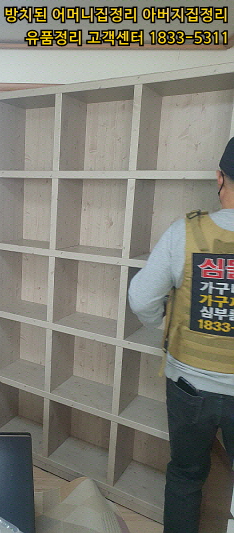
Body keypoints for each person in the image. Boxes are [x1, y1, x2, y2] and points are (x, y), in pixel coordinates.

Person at [128, 138, 234, 533]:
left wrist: (165, 324)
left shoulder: (184, 232)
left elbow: (141, 298)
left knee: (186, 476)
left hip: (189, 383)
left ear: (220, 177)